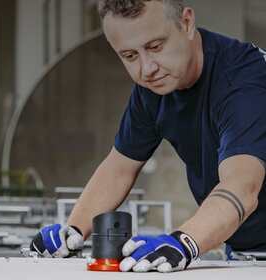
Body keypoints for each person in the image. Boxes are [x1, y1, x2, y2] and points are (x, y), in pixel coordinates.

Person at [30, 0, 266, 273]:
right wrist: (73, 231)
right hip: (244, 251)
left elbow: (243, 185)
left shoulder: (245, 82)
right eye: (130, 56)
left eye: (156, 47)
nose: (146, 69)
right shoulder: (155, 86)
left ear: (187, 23)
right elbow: (119, 168)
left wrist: (183, 241)